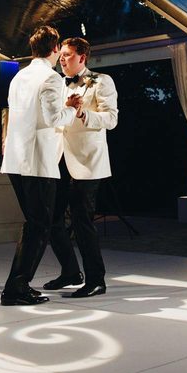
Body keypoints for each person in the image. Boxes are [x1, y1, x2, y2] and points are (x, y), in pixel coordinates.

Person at [0, 25, 78, 306]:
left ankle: (17, 284)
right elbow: (54, 118)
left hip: (15, 160)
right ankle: (16, 288)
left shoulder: (19, 76)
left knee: (34, 224)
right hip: (37, 161)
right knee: (39, 226)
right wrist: (71, 108)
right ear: (55, 49)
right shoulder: (52, 78)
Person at [44, 37, 118, 298]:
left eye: (67, 55)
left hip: (87, 162)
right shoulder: (57, 84)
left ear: (82, 58)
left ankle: (96, 280)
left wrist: (82, 113)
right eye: (61, 55)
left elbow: (111, 119)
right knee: (51, 219)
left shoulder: (101, 81)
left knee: (81, 220)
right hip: (59, 158)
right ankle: (70, 272)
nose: (62, 59)